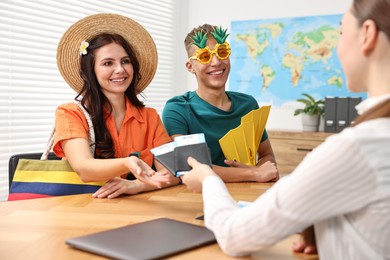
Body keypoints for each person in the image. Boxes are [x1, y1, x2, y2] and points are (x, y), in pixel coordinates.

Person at [180, 1, 390, 259]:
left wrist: (208, 178)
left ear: (367, 34)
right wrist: (330, 233)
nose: (336, 47)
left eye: (341, 33)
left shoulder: (356, 148)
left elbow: (234, 234)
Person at [54, 13, 178, 199]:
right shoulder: (70, 113)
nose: (120, 70)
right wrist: (129, 163)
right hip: (81, 210)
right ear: (91, 70)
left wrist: (137, 185)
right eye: (108, 63)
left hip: (137, 212)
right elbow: (84, 168)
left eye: (125, 61)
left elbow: (173, 173)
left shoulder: (150, 117)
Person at [162, 24, 279, 183]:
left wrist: (263, 170)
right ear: (190, 67)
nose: (216, 62)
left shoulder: (248, 104)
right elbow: (189, 167)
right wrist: (254, 173)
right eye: (205, 56)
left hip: (247, 196)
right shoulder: (177, 109)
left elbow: (267, 155)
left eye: (222, 53)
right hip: (197, 198)